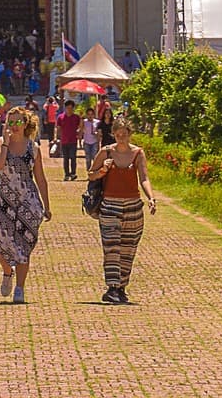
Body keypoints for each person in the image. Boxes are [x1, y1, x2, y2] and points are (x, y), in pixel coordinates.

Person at [0, 106, 52, 303]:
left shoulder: (33, 147)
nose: (14, 126)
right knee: (0, 241)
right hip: (3, 200)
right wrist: (5, 144)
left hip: (27, 202)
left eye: (18, 122)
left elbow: (40, 178)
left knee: (23, 245)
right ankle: (7, 272)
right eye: (10, 122)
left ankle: (20, 288)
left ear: (25, 124)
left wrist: (46, 206)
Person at [88, 113, 157, 304]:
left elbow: (144, 177)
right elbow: (91, 175)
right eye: (118, 135)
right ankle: (111, 287)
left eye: (124, 134)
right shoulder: (106, 152)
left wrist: (150, 197)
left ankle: (121, 287)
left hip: (133, 206)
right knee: (111, 248)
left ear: (129, 134)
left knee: (128, 248)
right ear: (113, 134)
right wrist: (102, 171)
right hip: (110, 205)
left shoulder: (137, 153)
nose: (121, 138)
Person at [55, 102, 83, 180]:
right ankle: (67, 174)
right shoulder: (60, 117)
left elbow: (80, 126)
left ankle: (73, 173)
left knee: (73, 157)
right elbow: (58, 128)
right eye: (68, 108)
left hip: (73, 140)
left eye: (71, 108)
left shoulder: (76, 117)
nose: (69, 110)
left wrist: (79, 134)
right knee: (66, 158)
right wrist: (57, 137)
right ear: (65, 108)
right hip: (64, 141)